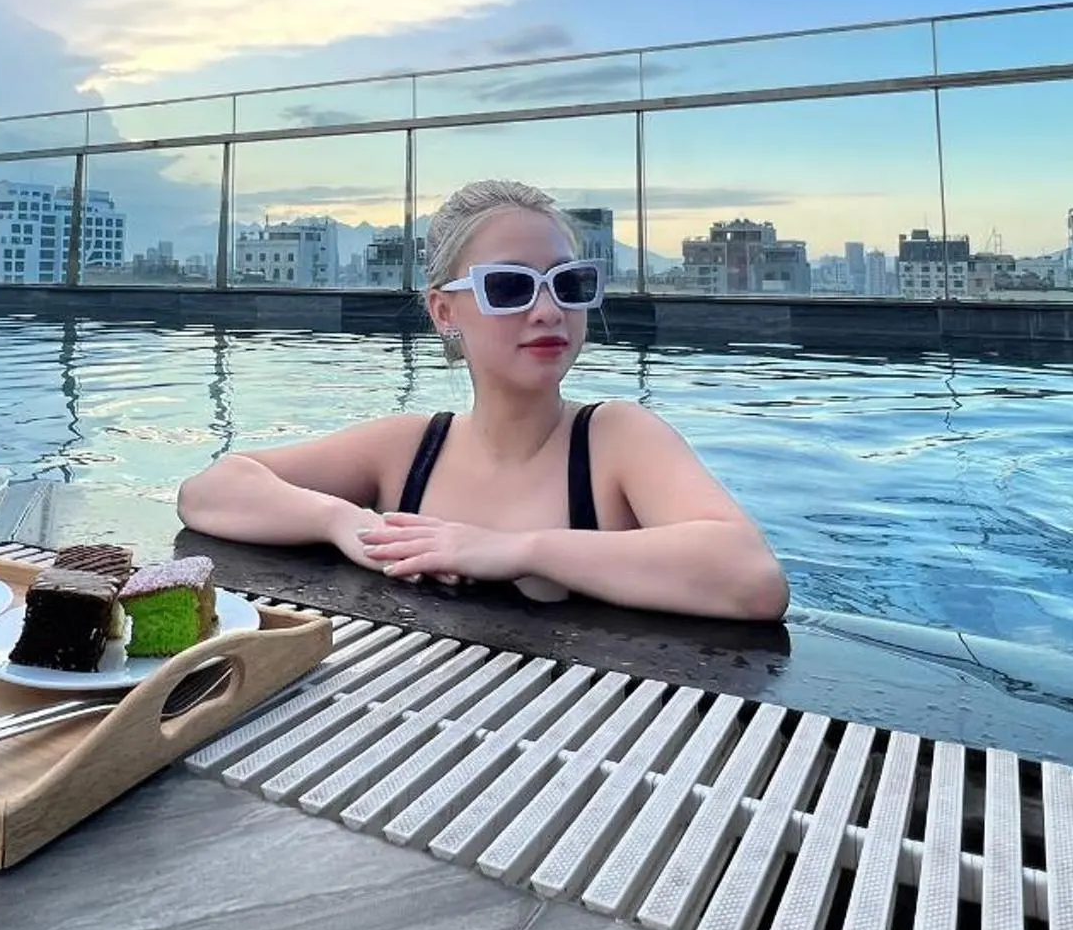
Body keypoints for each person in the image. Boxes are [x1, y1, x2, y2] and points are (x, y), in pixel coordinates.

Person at [176, 179, 790, 620]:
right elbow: (210, 490)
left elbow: (751, 577)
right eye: (510, 286)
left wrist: (516, 550)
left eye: (568, 283)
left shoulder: (615, 441)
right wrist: (342, 521)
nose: (548, 310)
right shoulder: (408, 449)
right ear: (445, 312)